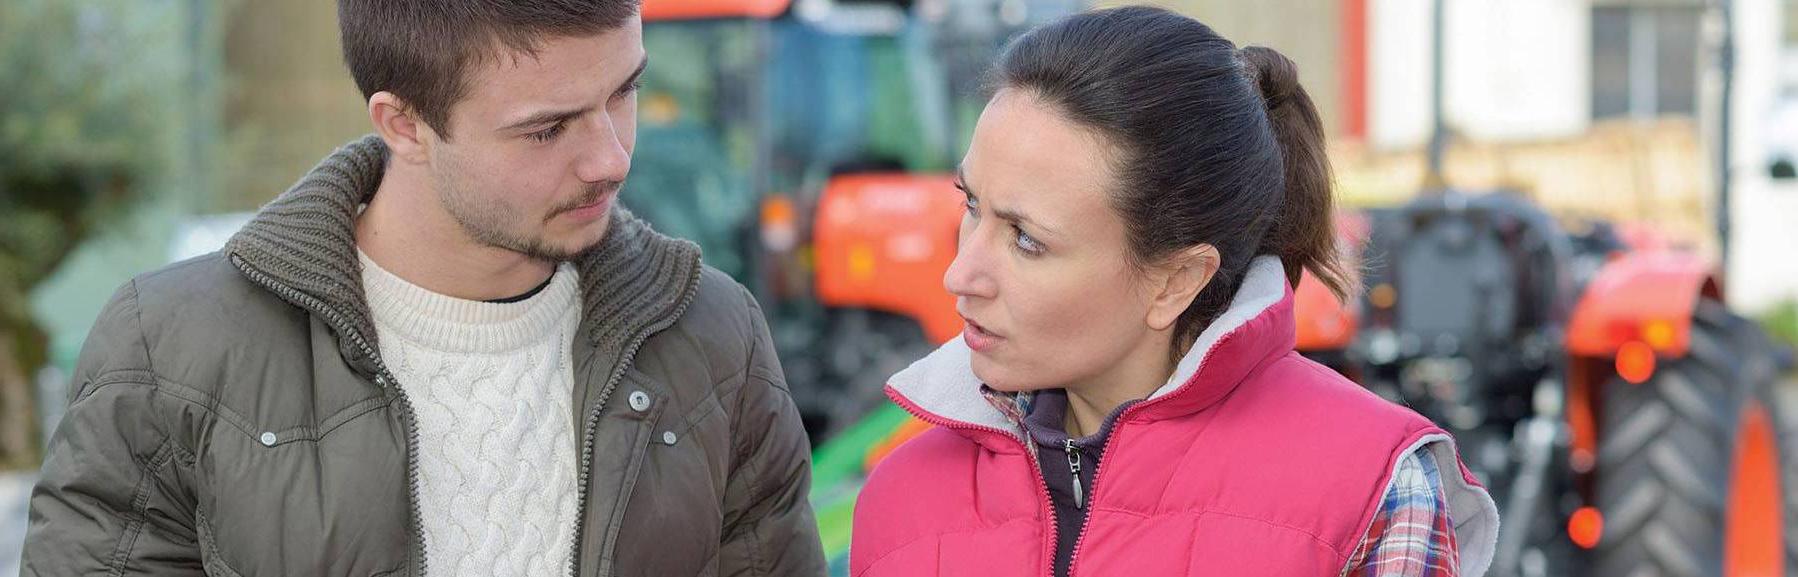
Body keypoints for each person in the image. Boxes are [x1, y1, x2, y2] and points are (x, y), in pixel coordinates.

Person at [21, 1, 824, 575]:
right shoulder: (169, 347)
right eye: (547, 129)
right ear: (403, 123)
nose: (610, 157)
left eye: (625, 92)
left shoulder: (716, 337)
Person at [851, 6, 1498, 576]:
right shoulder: (900, 499)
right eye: (971, 205)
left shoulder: (1371, 492)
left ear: (1176, 280)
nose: (960, 274)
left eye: (1025, 239)